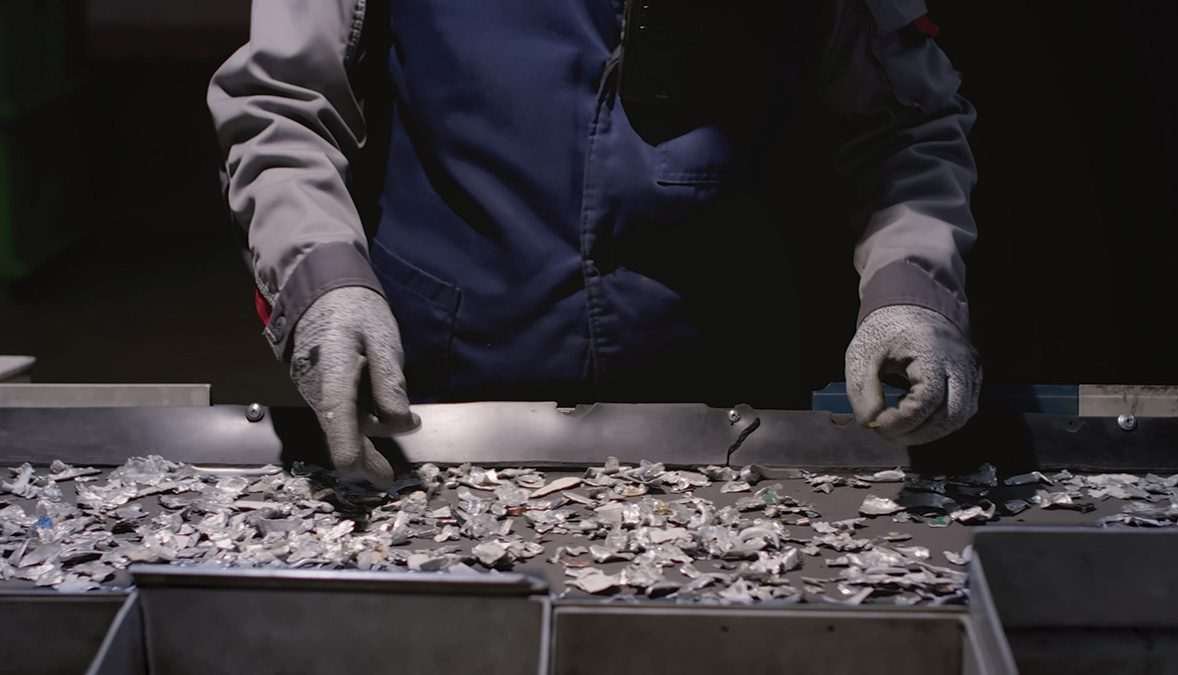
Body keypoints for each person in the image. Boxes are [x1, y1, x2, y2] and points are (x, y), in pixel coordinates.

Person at [209, 1, 980, 486]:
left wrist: (914, 284)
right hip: (441, 403)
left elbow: (905, 123)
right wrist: (321, 281)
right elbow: (282, 102)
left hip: (732, 418)